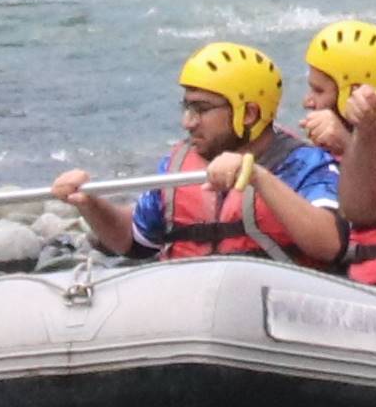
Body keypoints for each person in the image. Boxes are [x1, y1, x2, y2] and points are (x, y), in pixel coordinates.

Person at [64, 42, 335, 266]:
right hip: (190, 301)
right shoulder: (178, 164)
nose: (188, 122)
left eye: (201, 109)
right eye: (187, 108)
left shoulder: (305, 164)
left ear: (249, 114)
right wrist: (90, 203)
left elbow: (331, 244)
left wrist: (257, 176)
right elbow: (135, 241)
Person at [278, 19, 376, 287]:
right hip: (349, 288)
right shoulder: (317, 152)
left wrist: (349, 144)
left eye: (318, 90)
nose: (307, 101)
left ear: (353, 93)